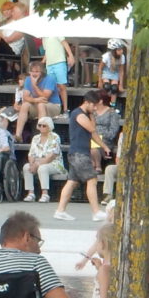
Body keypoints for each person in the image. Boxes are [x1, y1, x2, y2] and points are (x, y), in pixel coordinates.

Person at [52, 91, 105, 222]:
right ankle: (96, 212)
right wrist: (104, 146)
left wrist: (91, 114)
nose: (95, 109)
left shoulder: (85, 114)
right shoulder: (78, 114)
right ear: (87, 102)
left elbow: (92, 128)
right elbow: (92, 130)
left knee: (72, 182)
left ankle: (60, 210)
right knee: (92, 180)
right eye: (93, 106)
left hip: (78, 153)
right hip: (79, 154)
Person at [12, 59, 59, 142]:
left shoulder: (50, 79)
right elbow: (25, 97)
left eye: (37, 71)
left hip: (53, 105)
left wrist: (34, 85)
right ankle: (18, 135)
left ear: (42, 72)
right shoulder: (27, 79)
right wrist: (36, 99)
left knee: (41, 104)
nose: (34, 74)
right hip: (36, 104)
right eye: (32, 71)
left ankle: (41, 135)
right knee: (25, 105)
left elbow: (45, 98)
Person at [22, 115, 62, 202]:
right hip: (37, 162)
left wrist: (37, 164)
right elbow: (31, 154)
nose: (41, 127)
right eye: (39, 125)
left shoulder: (55, 137)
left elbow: (51, 156)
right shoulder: (35, 138)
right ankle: (31, 193)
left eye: (44, 126)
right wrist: (32, 163)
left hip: (55, 163)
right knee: (26, 167)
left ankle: (45, 194)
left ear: (49, 127)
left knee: (42, 168)